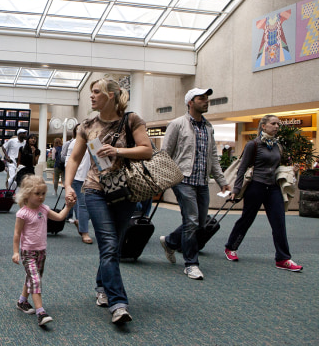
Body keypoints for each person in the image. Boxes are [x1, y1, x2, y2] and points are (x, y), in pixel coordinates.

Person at [64, 78, 152, 324]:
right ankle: (119, 303)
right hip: (95, 190)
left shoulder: (131, 120)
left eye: (96, 92)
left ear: (111, 95)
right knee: (109, 243)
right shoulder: (87, 125)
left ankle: (101, 285)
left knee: (112, 245)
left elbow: (147, 150)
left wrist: (118, 151)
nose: (91, 96)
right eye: (90, 92)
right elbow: (74, 159)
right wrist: (69, 184)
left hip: (125, 191)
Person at [159, 88, 230, 281]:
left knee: (199, 222)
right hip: (183, 180)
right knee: (191, 220)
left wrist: (222, 181)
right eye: (201, 99)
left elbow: (213, 157)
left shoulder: (208, 127)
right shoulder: (177, 124)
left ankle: (171, 241)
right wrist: (164, 179)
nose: (206, 101)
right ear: (190, 102)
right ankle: (191, 264)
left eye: (207, 98)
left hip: (202, 181)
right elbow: (165, 153)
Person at [224, 115, 303, 272]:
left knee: (279, 221)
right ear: (263, 126)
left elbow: (276, 166)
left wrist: (291, 170)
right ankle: (230, 247)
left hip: (273, 188)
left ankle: (283, 258)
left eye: (278, 124)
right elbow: (242, 168)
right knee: (247, 219)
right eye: (273, 124)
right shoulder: (253, 145)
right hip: (256, 186)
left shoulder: (277, 146)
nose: (276, 127)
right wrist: (236, 189)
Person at [12, 175, 72, 326]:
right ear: (27, 194)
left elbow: (59, 217)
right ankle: (41, 312)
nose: (41, 197)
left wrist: (68, 207)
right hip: (28, 252)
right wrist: (16, 252)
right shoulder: (23, 213)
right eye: (37, 194)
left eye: (43, 194)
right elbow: (17, 234)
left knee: (31, 278)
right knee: (35, 280)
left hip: (41, 252)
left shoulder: (44, 209)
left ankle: (22, 301)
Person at [65, 124, 93, 244]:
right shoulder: (74, 143)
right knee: (83, 205)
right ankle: (85, 232)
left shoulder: (93, 142)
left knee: (94, 206)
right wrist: (68, 182)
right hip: (79, 177)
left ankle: (80, 221)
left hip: (93, 178)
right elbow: (69, 161)